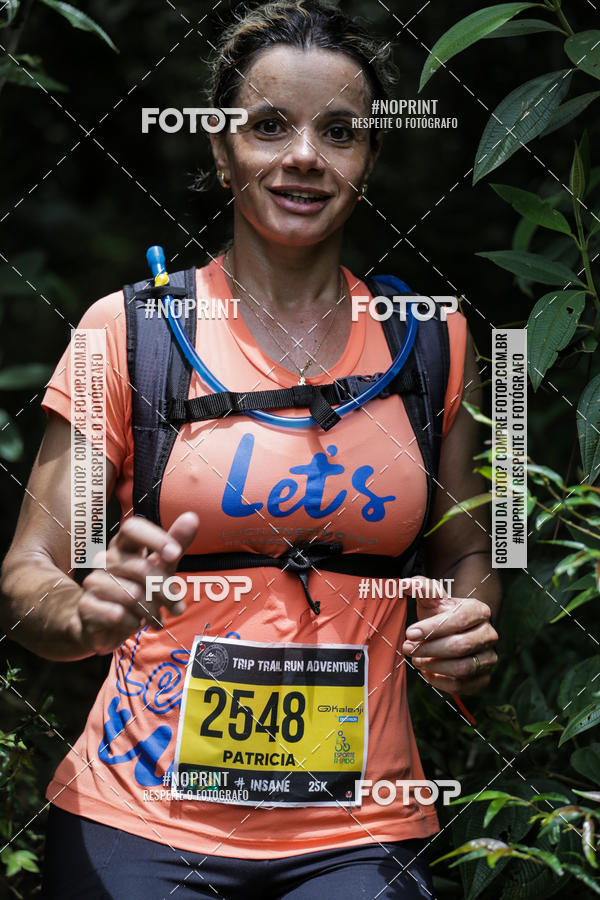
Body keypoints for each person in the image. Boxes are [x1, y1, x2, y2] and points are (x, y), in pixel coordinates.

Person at [1, 1, 501, 896]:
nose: (305, 155)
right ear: (222, 148)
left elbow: (471, 550)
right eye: (269, 125)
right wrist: (82, 617)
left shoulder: (436, 341)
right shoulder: (127, 335)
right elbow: (31, 569)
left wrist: (466, 621)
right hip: (140, 817)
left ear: (369, 157)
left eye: (339, 132)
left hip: (363, 828)